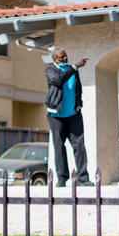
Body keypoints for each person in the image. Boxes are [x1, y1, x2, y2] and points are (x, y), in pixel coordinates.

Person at [44, 48, 90, 186]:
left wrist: (79, 104)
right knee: (59, 146)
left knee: (79, 146)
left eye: (66, 56)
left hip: (74, 114)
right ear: (55, 59)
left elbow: (78, 88)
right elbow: (58, 81)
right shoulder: (50, 69)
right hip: (56, 115)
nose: (65, 59)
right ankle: (62, 178)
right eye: (61, 57)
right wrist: (75, 67)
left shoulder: (72, 70)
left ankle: (83, 179)